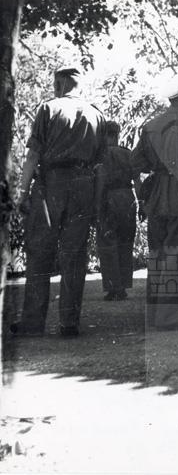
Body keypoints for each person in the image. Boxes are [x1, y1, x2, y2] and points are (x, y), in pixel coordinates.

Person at [12, 65, 107, 337]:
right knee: (75, 255)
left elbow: (33, 155)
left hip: (52, 184)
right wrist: (97, 203)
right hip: (84, 185)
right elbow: (102, 167)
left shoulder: (48, 108)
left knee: (40, 252)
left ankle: (33, 322)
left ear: (60, 84)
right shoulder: (96, 114)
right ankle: (69, 323)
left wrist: (22, 192)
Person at [131, 70, 178, 330]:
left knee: (158, 256)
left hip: (158, 197)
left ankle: (154, 315)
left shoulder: (151, 126)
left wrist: (154, 173)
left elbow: (134, 164)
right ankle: (171, 317)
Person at [95, 121, 138, 301]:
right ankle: (123, 286)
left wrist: (97, 207)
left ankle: (114, 287)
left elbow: (100, 180)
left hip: (109, 197)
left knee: (107, 242)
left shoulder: (101, 155)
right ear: (117, 135)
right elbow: (137, 180)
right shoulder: (128, 153)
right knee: (126, 241)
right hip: (127, 197)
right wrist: (141, 203)